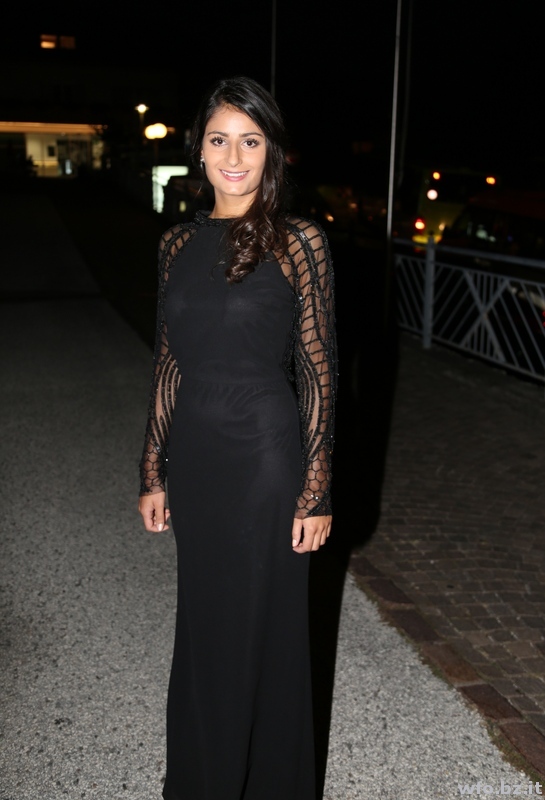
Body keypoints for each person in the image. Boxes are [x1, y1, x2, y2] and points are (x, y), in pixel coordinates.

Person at [138, 76, 337, 800]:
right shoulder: (176, 243)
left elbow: (317, 369)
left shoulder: (299, 241)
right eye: (219, 140)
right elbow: (168, 361)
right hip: (197, 458)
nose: (233, 156)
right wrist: (152, 469)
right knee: (205, 624)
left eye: (249, 141)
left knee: (265, 630)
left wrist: (316, 489)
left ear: (271, 152)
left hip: (264, 457)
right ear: (199, 150)